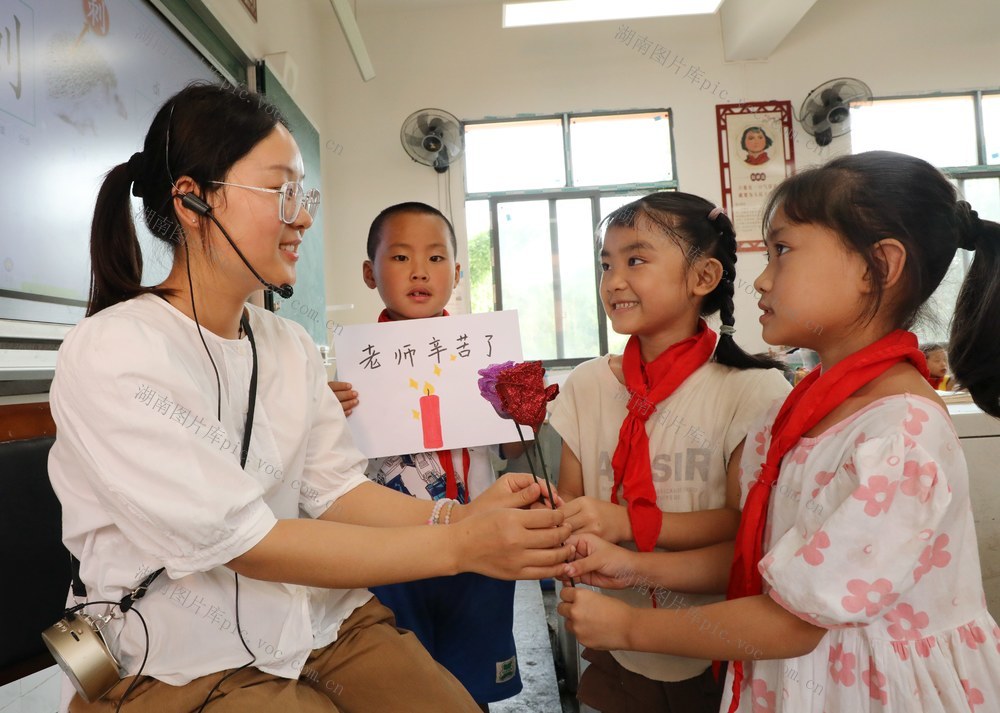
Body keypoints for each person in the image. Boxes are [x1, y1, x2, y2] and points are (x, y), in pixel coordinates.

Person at [47, 83, 572, 713]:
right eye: (282, 192)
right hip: (180, 656)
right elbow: (249, 545)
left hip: (320, 625)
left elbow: (336, 492)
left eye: (305, 194)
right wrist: (461, 545)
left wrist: (463, 517)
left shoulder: (288, 344)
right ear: (192, 201)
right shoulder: (114, 351)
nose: (303, 217)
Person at [557, 151, 1000, 712]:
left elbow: (791, 623)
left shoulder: (898, 434)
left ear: (879, 266)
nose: (762, 279)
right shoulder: (802, 411)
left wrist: (629, 627)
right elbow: (759, 553)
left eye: (782, 251)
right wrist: (633, 566)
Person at [548, 192, 790, 713]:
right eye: (606, 264)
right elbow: (569, 502)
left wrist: (624, 525)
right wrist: (552, 524)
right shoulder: (586, 385)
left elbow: (745, 529)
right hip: (610, 641)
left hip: (717, 647)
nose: (614, 281)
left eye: (636, 260)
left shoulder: (753, 390)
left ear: (703, 277)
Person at [329, 202, 524, 711]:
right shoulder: (349, 370)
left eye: (436, 258)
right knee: (401, 683)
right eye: (400, 257)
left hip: (478, 540)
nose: (420, 271)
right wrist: (324, 413)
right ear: (369, 273)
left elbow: (511, 447)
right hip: (391, 549)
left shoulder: (486, 356)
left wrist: (525, 412)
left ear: (456, 274)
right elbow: (329, 469)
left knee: (471, 689)